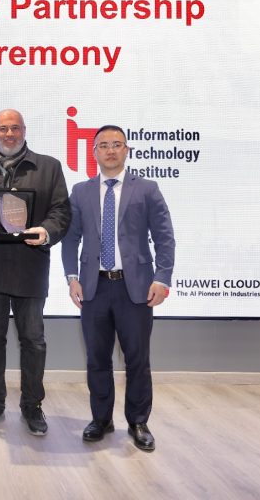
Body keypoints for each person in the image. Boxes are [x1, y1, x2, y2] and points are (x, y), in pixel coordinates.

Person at [61, 125, 175, 452]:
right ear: (94, 152)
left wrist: (162, 278)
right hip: (93, 288)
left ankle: (138, 422)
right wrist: (72, 277)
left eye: (116, 144)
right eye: (103, 145)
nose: (110, 150)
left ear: (127, 150)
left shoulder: (147, 189)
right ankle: (101, 419)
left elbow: (165, 238)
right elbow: (70, 239)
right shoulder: (81, 191)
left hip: (135, 289)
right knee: (97, 359)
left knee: (137, 359)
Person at [0, 109, 71, 436]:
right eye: (3, 129)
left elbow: (61, 211)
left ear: (24, 130)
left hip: (30, 267)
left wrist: (46, 231)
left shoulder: (49, 167)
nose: (9, 134)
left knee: (33, 341)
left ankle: (32, 407)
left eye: (15, 128)